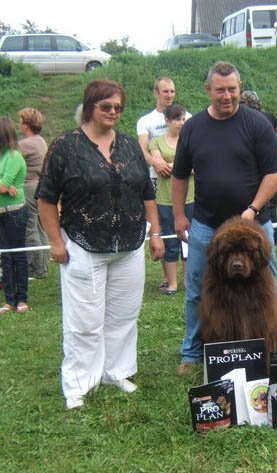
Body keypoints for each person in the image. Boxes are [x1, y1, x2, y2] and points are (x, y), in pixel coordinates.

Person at [37, 79, 164, 410]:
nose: (112, 112)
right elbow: (47, 199)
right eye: (106, 106)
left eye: (118, 107)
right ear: (90, 105)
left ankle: (115, 371)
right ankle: (78, 384)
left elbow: (147, 193)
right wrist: (55, 241)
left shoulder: (129, 145)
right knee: (84, 320)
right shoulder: (65, 147)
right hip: (83, 244)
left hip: (130, 244)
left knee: (124, 315)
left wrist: (155, 233)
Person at [172, 61, 277, 377]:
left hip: (254, 224)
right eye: (220, 90)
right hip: (206, 224)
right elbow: (179, 175)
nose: (226, 96)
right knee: (198, 289)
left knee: (270, 287)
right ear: (208, 90)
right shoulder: (193, 127)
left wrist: (253, 209)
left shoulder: (257, 124)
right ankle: (191, 353)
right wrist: (177, 215)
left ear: (239, 88)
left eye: (232, 89)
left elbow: (275, 172)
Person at [137, 77, 191, 292]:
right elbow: (143, 148)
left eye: (172, 91)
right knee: (162, 227)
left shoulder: (187, 117)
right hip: (156, 178)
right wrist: (156, 163)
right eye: (165, 91)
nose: (169, 95)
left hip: (184, 180)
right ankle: (168, 277)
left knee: (186, 232)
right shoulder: (146, 120)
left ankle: (186, 278)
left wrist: (178, 167)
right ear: (156, 93)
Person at [149, 104, 194, 295]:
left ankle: (188, 281)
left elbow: (196, 166)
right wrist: (180, 167)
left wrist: (175, 166)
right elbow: (159, 164)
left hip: (191, 197)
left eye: (183, 119)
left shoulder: (191, 140)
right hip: (165, 199)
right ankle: (172, 283)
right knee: (170, 241)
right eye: (177, 119)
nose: (181, 122)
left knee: (190, 241)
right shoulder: (156, 142)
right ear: (167, 121)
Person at [239, 90, 277, 246]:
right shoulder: (268, 116)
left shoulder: (243, 120)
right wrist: (272, 145)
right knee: (269, 198)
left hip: (256, 165)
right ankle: (276, 235)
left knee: (260, 198)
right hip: (270, 163)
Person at [0, 117, 29, 315]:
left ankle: (22, 299)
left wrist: (4, 186)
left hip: (14, 213)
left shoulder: (13, 156)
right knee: (4, 257)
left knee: (17, 255)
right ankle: (9, 301)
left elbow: (3, 185)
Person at [17, 108, 49, 280]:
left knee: (30, 228)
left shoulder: (25, 144)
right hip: (39, 186)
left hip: (28, 188)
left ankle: (35, 269)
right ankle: (43, 266)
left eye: (21, 121)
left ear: (26, 124)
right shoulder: (40, 141)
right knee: (40, 228)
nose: (19, 125)